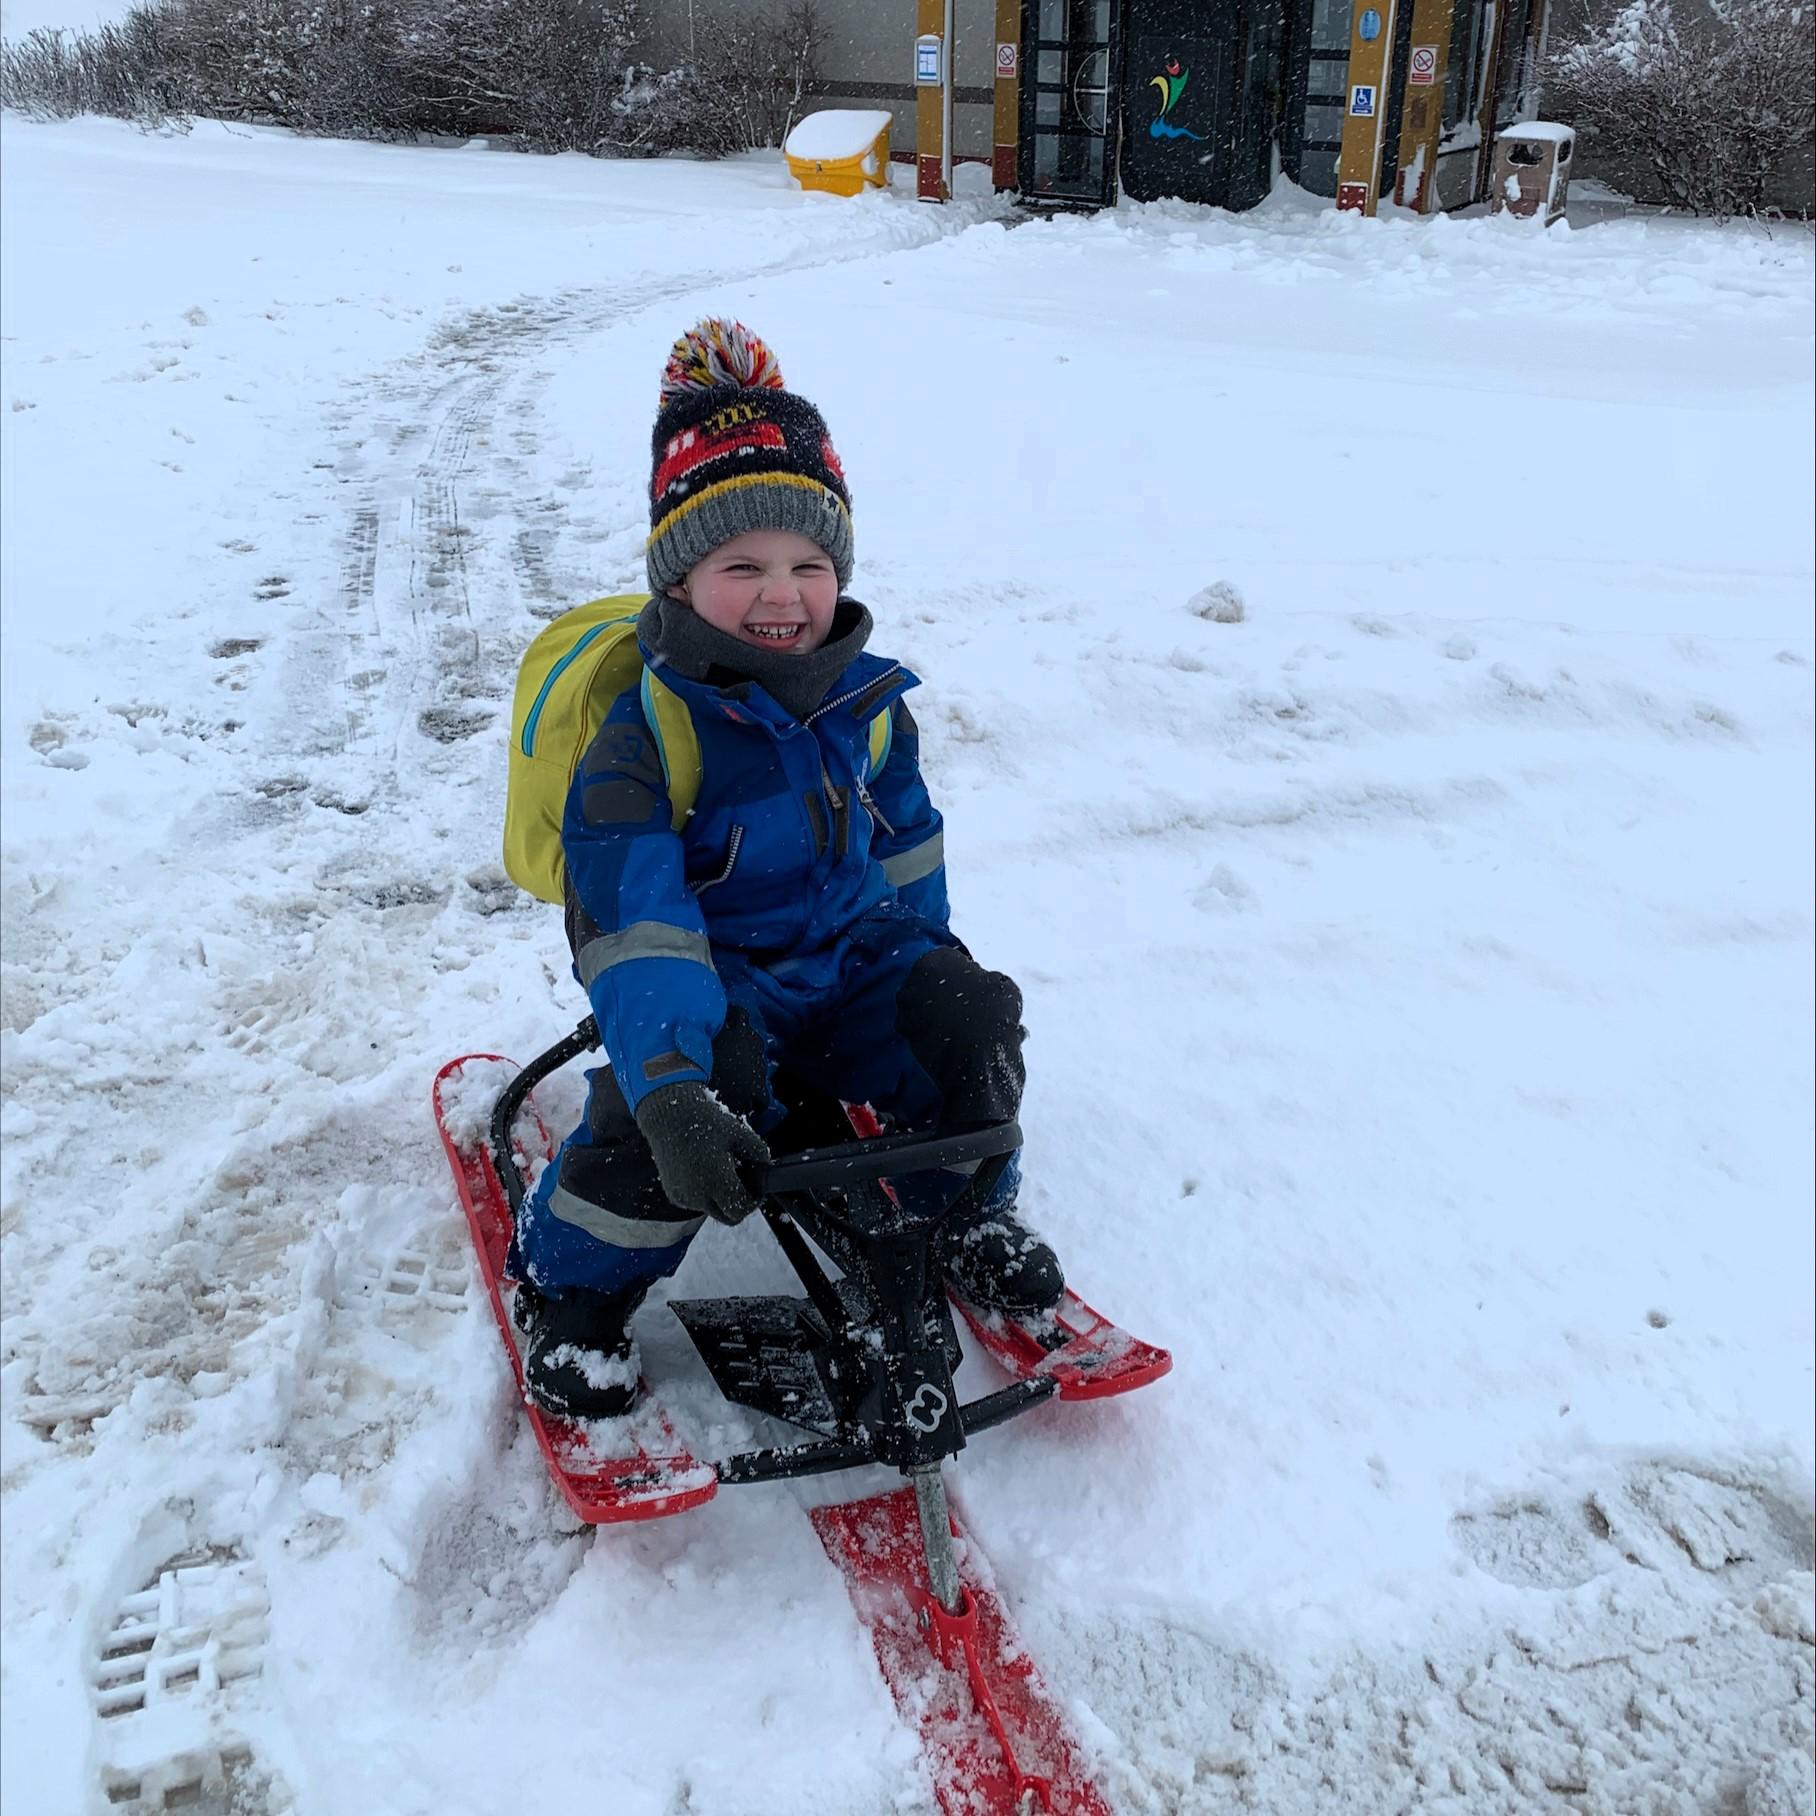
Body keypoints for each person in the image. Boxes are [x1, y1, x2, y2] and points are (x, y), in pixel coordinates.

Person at [512, 318, 1064, 1419]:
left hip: (846, 968)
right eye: (741, 564)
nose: (782, 592)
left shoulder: (864, 707)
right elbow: (637, 925)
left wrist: (934, 974)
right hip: (713, 991)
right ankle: (571, 1294)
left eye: (810, 562)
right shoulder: (641, 739)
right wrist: (669, 1078)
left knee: (969, 1022)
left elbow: (908, 860)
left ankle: (963, 1208)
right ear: (678, 578)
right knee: (668, 1124)